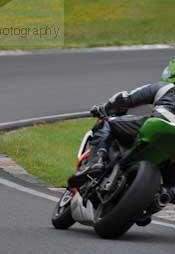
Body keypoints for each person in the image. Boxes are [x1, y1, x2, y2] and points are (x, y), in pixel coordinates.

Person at [69, 63, 175, 195]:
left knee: (108, 123)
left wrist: (104, 108)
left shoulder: (166, 87)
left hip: (160, 124)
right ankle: (161, 195)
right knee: (170, 186)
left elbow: (126, 98)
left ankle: (95, 162)